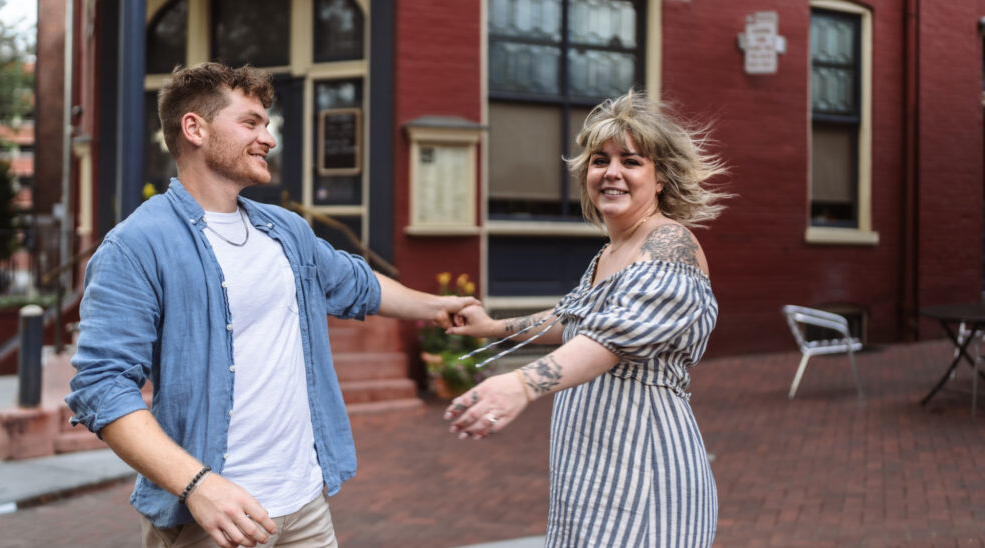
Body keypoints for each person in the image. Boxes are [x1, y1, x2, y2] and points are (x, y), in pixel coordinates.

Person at [65, 62, 477, 548]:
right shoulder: (136, 246)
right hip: (216, 516)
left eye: (267, 123)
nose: (269, 138)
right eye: (251, 123)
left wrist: (441, 307)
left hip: (305, 504)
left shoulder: (285, 230)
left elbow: (358, 284)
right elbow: (102, 387)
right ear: (194, 128)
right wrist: (198, 486)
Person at [444, 88, 731, 547]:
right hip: (594, 475)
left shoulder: (670, 243)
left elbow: (612, 336)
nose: (611, 172)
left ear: (660, 178)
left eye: (631, 161)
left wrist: (521, 384)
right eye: (600, 160)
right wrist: (492, 327)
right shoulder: (612, 251)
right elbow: (575, 319)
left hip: (645, 476)